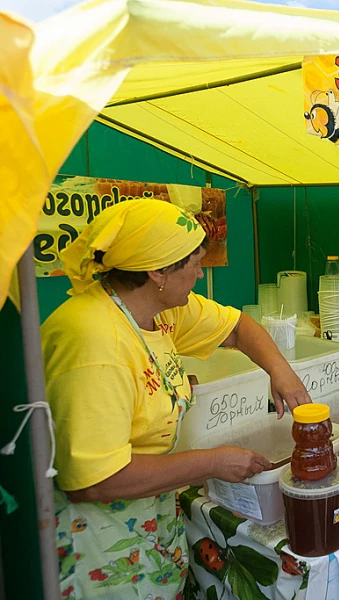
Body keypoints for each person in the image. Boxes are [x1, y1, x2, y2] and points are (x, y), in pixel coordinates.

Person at [42, 200, 311, 599]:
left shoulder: (158, 309)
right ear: (157, 271)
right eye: (194, 264)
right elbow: (93, 481)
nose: (201, 275)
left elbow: (238, 328)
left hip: (152, 519)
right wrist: (215, 461)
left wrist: (281, 372)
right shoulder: (93, 340)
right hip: (97, 540)